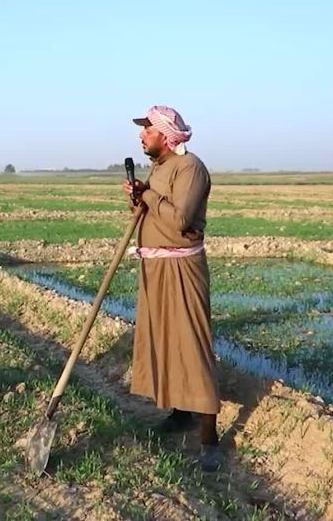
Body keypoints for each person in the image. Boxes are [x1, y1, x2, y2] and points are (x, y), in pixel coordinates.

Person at [121, 104, 222, 472]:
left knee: (192, 345)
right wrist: (141, 193)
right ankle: (181, 412)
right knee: (165, 340)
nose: (140, 135)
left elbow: (180, 220)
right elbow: (156, 209)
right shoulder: (160, 169)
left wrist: (147, 195)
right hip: (155, 267)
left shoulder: (190, 167)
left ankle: (209, 438)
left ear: (166, 135)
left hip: (181, 267)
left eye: (146, 129)